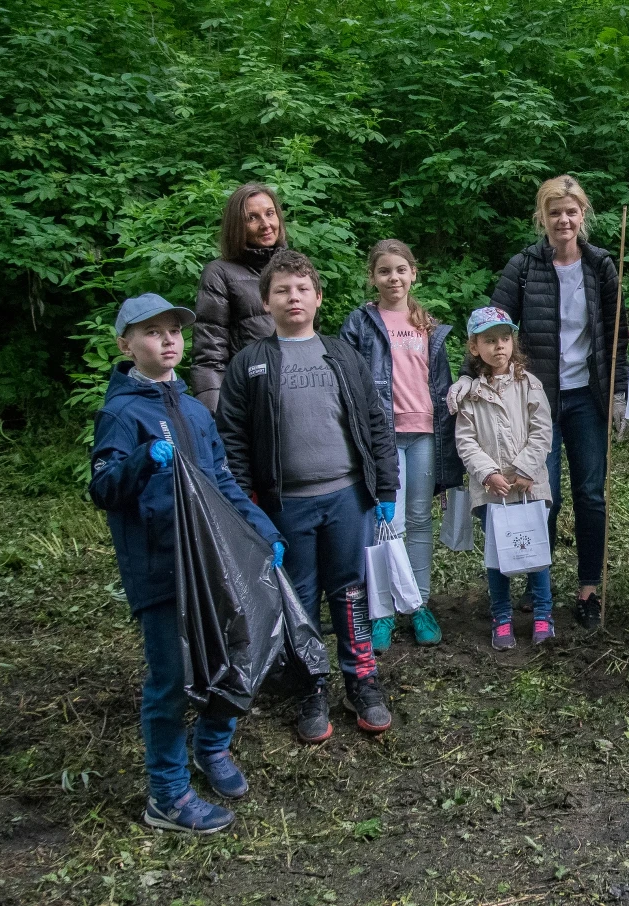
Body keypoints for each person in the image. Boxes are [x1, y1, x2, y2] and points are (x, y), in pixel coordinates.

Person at [90, 293, 284, 834]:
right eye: (152, 332)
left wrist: (263, 531)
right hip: (161, 567)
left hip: (213, 560)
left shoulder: (196, 410)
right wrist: (137, 462)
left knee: (239, 649)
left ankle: (212, 745)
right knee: (170, 680)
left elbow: (221, 481)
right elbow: (104, 488)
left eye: (175, 330)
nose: (169, 339)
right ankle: (168, 796)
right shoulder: (122, 412)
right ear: (126, 344)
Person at [216, 250, 399, 742]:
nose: (292, 297)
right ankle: (309, 685)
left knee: (351, 590)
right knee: (298, 597)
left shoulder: (342, 354)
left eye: (301, 289)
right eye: (281, 290)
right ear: (265, 302)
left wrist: (385, 486)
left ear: (318, 298)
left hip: (348, 497)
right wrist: (248, 509)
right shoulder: (249, 364)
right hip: (286, 504)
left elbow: (376, 422)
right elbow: (232, 439)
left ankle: (362, 679)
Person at [476, 175, 627, 631]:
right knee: (544, 495)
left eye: (571, 211)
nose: (564, 220)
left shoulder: (601, 265)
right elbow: (493, 326)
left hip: (587, 396)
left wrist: (619, 391)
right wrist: (470, 380)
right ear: (542, 217)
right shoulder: (524, 266)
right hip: (535, 401)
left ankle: (588, 587)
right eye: (555, 212)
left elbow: (616, 334)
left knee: (590, 493)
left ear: (583, 215)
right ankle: (535, 577)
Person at [339, 240, 463, 652]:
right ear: (372, 277)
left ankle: (420, 603)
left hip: (425, 432)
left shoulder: (428, 324)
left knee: (419, 520)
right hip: (384, 436)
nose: (394, 278)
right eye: (384, 271)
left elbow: (441, 386)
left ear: (414, 274)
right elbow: (348, 382)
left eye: (401, 270)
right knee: (388, 525)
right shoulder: (361, 323)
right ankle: (385, 610)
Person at [454, 307, 556, 649]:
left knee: (535, 554)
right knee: (497, 557)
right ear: (474, 347)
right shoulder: (470, 393)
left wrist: (525, 470)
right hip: (492, 492)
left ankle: (543, 615)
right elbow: (465, 440)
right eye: (489, 340)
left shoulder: (529, 383)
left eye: (505, 338)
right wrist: (488, 475)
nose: (499, 346)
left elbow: (542, 430)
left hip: (530, 486)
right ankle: (501, 618)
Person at [193, 184, 288, 410]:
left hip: (297, 394)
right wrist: (216, 419)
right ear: (237, 226)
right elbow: (209, 357)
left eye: (270, 213)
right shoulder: (219, 273)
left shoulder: (294, 267)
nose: (265, 224)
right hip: (248, 400)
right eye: (252, 218)